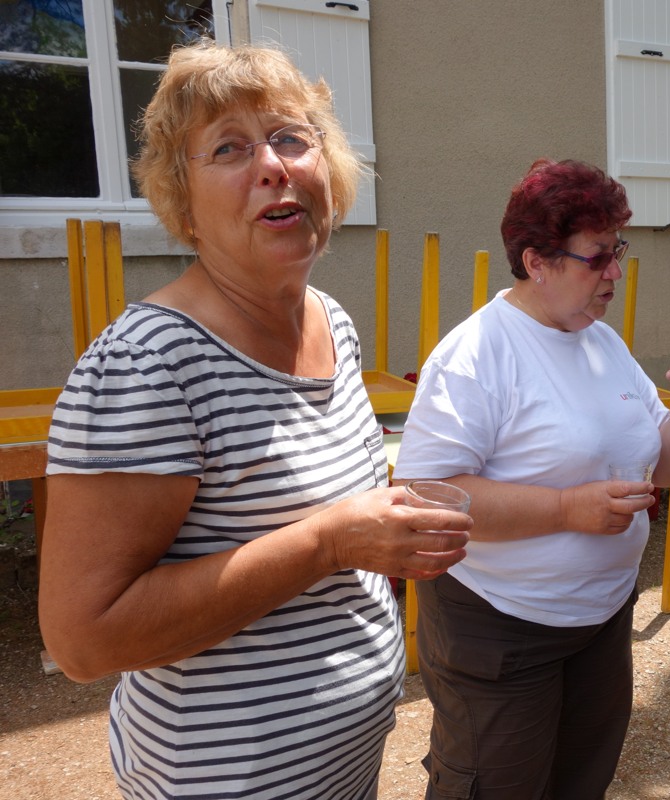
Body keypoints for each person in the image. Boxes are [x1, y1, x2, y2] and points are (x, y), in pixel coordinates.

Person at [37, 40, 470, 800]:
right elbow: (83, 639)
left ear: (327, 174)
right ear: (183, 202)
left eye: (292, 138)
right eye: (229, 147)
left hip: (339, 772)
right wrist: (332, 542)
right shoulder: (147, 362)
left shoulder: (328, 321)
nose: (274, 165)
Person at [393, 158, 670, 799]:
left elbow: (667, 467)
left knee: (579, 783)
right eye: (597, 256)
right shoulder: (475, 354)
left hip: (600, 618)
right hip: (501, 629)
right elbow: (426, 496)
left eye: (616, 250)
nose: (615, 273)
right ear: (537, 261)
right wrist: (567, 508)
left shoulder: (602, 344)